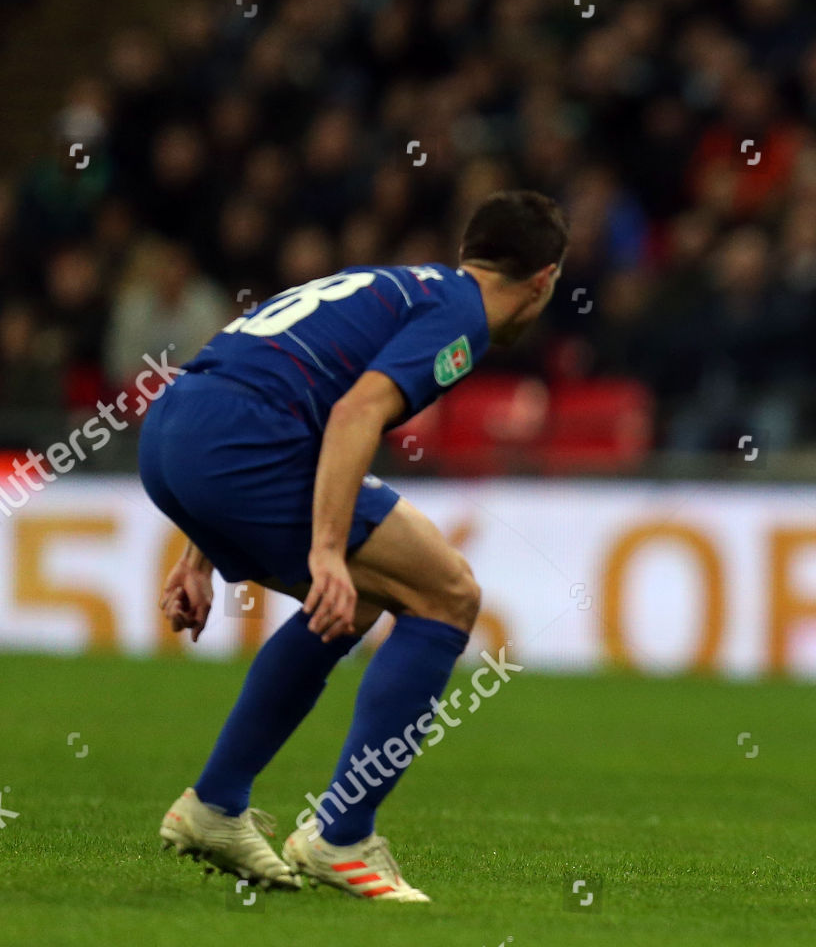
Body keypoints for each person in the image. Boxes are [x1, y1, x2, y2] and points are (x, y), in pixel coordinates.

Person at [142, 190, 566, 901]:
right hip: (241, 439)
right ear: (544, 281)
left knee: (369, 597)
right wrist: (327, 551)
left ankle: (216, 805)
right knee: (448, 594)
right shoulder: (461, 319)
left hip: (175, 429)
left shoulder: (403, 283)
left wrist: (199, 549)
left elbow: (266, 371)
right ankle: (341, 837)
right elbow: (356, 411)